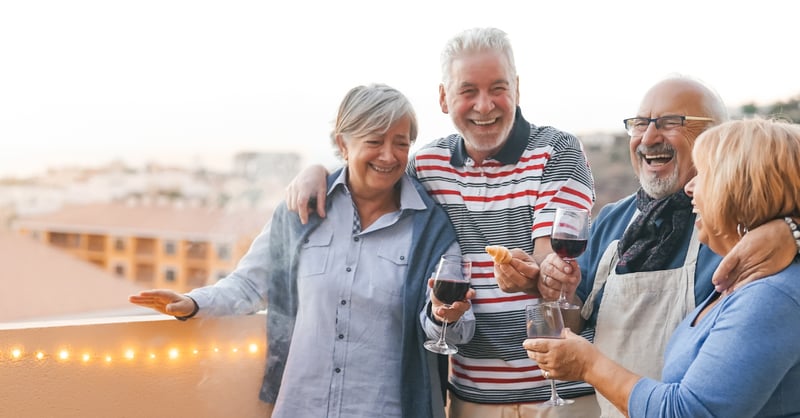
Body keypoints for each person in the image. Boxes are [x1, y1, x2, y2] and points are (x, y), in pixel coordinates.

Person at [286, 27, 599, 417]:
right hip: (472, 399)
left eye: (497, 88)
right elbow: (373, 173)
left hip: (561, 391)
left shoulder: (557, 150)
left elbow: (549, 260)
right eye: (468, 91)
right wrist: (318, 173)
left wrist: (538, 274)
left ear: (517, 88)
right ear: (443, 98)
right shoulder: (427, 166)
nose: (484, 106)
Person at [130, 83, 476, 418]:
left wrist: (444, 315)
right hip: (301, 405)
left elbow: (454, 326)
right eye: (374, 141)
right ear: (343, 143)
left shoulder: (430, 227)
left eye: (401, 143)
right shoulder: (303, 209)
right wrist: (193, 303)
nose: (389, 155)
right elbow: (250, 285)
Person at [498, 76, 800, 417]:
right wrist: (554, 289)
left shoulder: (760, 263)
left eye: (671, 123)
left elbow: (690, 409)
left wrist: (792, 231)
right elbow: (575, 318)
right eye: (640, 124)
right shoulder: (613, 221)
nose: (649, 137)